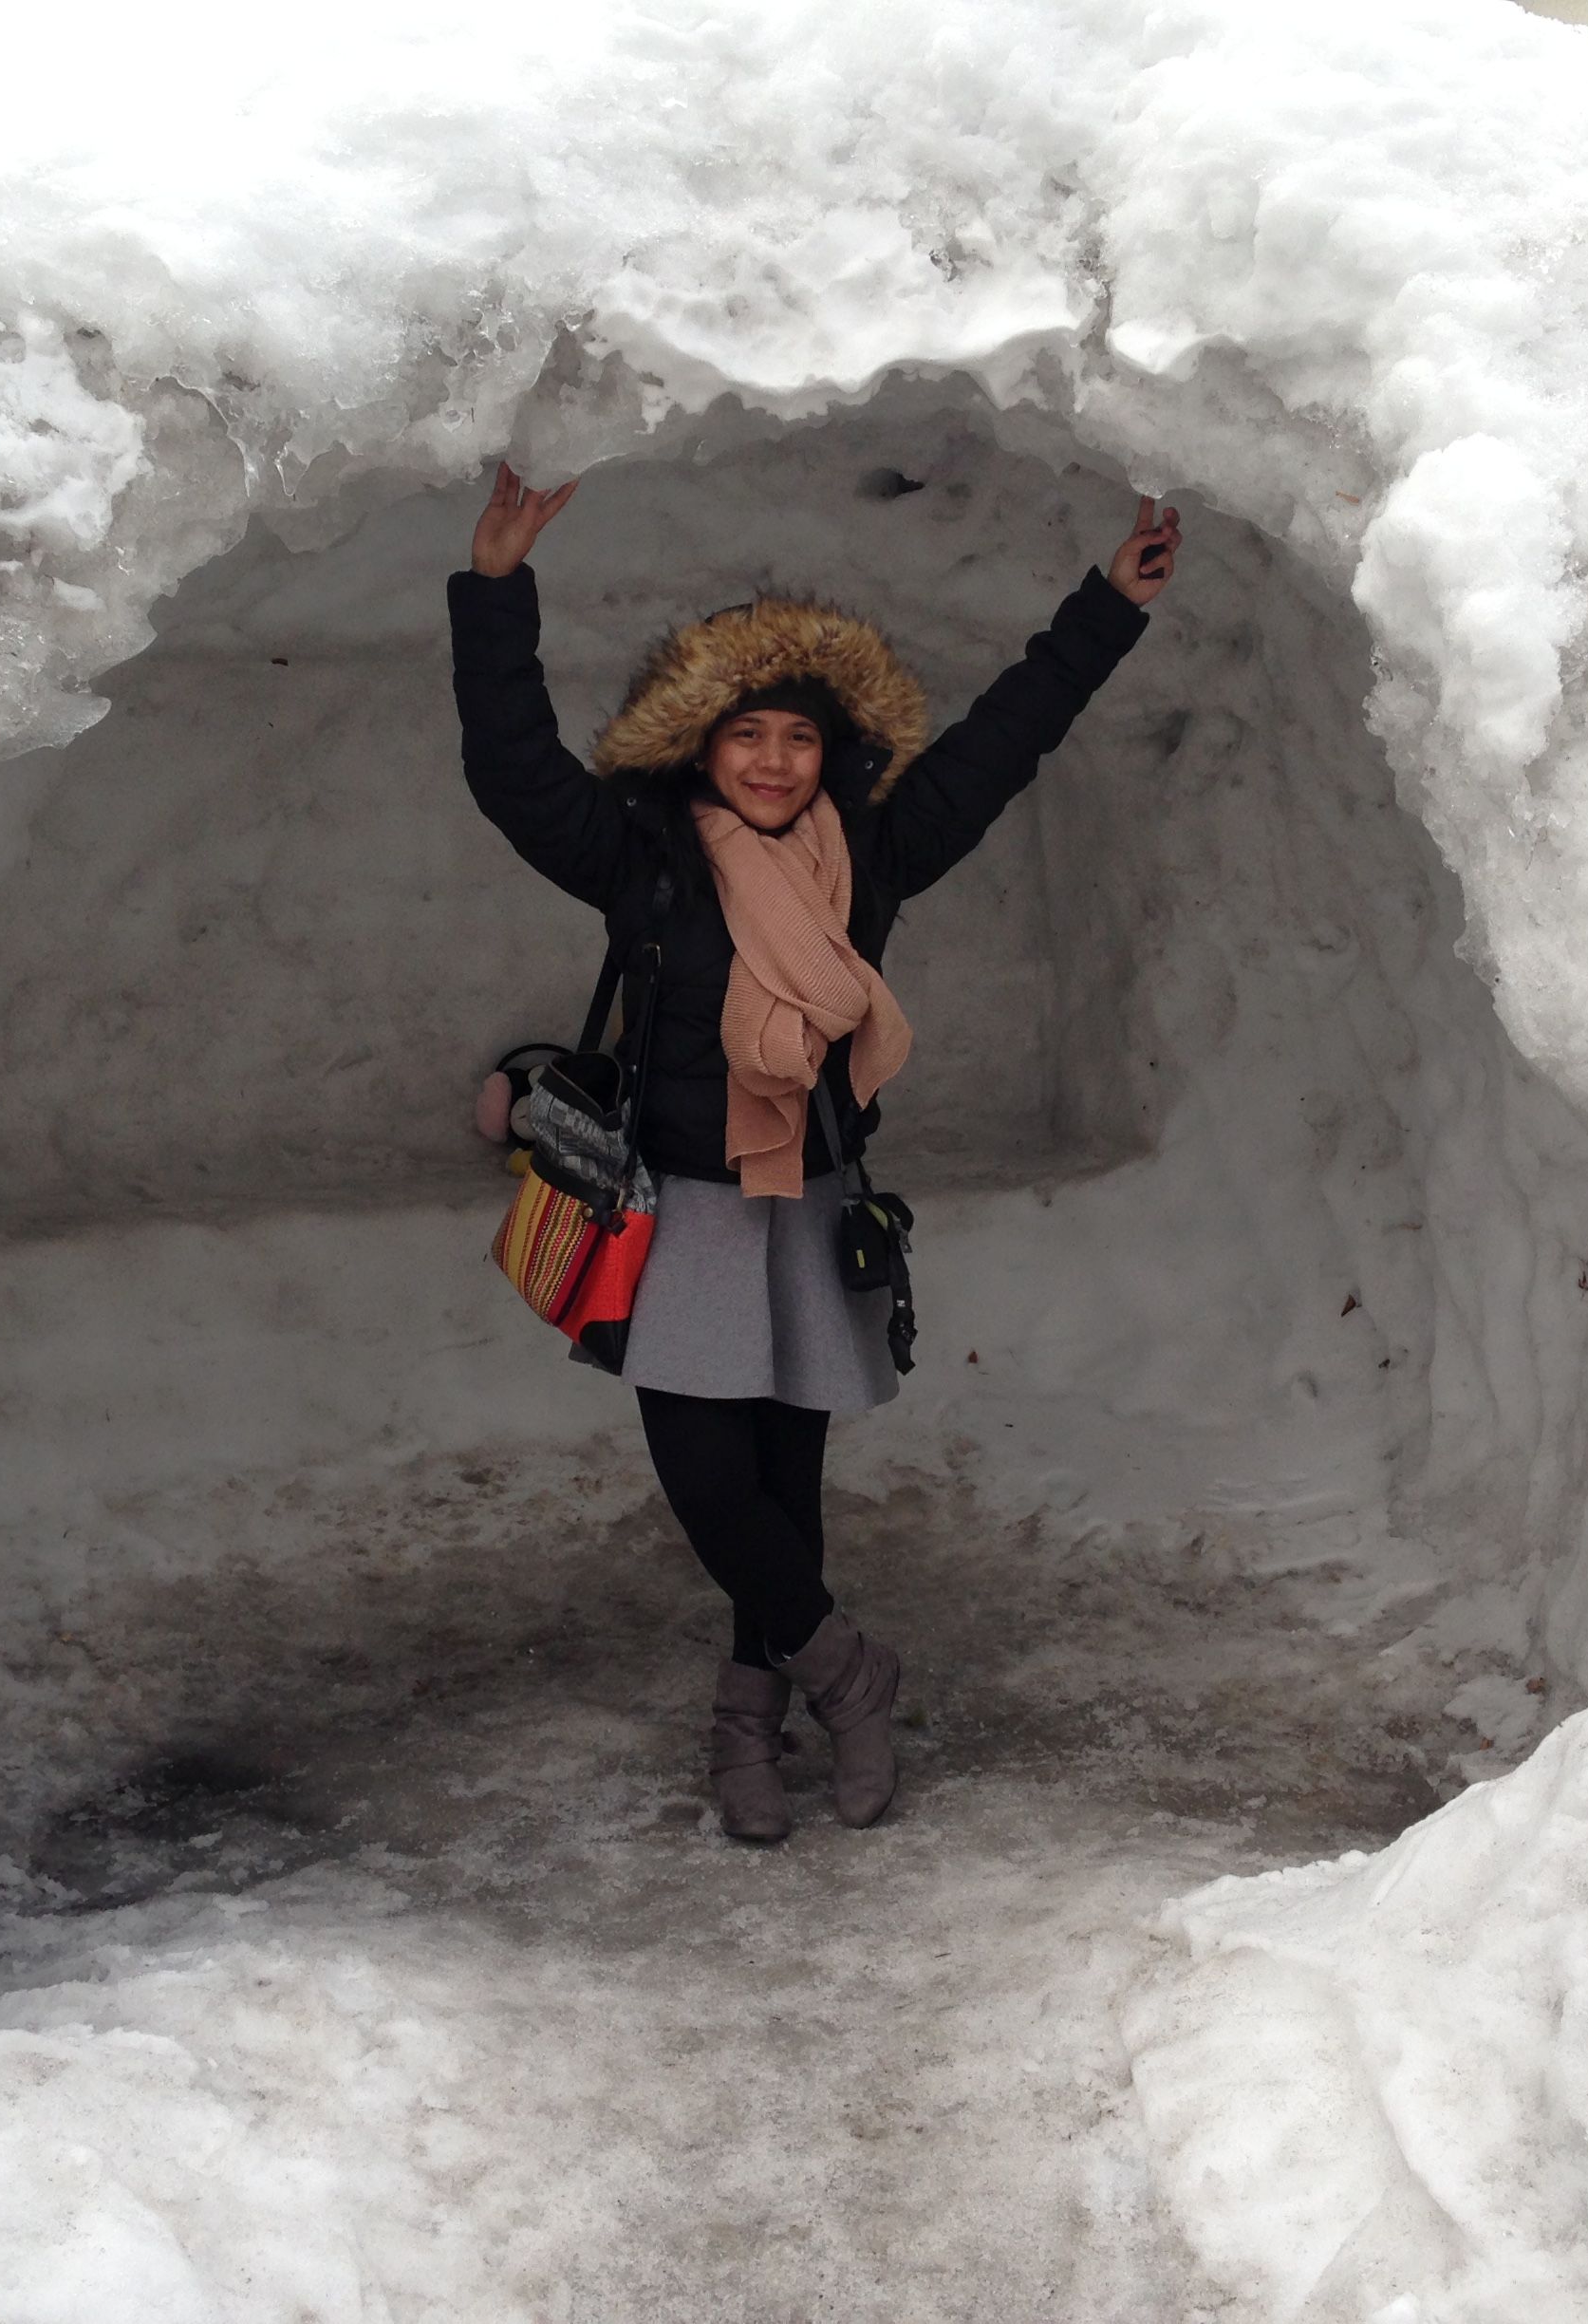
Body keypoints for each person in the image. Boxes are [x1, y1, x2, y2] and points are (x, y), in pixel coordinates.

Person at [447, 461, 1179, 1842]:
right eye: (745, 737)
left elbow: (1003, 741)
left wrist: (1104, 609)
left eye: (795, 737)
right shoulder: (646, 857)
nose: (772, 760)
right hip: (682, 1212)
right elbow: (510, 771)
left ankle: (749, 1717)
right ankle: (848, 1675)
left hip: (814, 1199)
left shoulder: (878, 854)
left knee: (785, 1490)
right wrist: (495, 590)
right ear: (701, 751)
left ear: (827, 754)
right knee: (708, 1478)